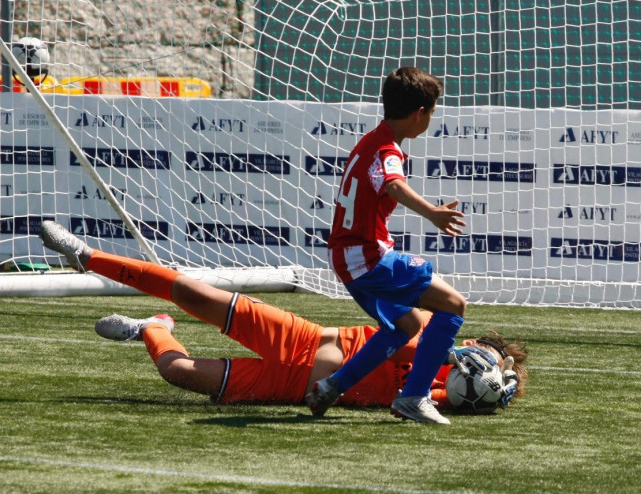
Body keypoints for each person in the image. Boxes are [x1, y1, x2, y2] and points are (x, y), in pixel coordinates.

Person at [39, 221, 528, 410]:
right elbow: (421, 328)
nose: (481, 361)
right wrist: (482, 362)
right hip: (303, 341)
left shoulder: (437, 389)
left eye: (491, 362)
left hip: (294, 389)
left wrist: (484, 396)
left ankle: (152, 328)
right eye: (488, 352)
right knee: (191, 291)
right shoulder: (428, 331)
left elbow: (438, 398)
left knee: (177, 372)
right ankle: (88, 256)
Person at [307, 66, 468, 424]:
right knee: (454, 305)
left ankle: (332, 386)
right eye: (433, 112)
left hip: (347, 259)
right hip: (366, 258)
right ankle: (414, 397)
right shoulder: (387, 149)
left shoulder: (371, 140)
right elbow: (393, 185)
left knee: (407, 325)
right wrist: (433, 213)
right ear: (419, 114)